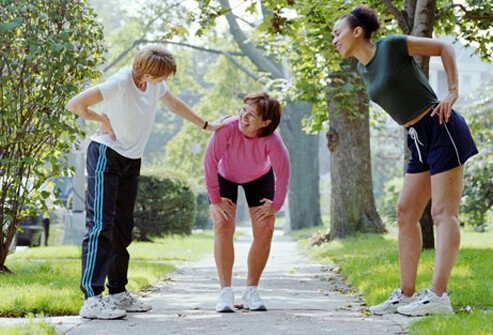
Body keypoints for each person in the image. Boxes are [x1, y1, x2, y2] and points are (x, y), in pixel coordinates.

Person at [331, 6, 478, 317]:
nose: (335, 40)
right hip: (417, 137)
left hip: (441, 126)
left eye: (338, 33)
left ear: (358, 31)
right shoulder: (363, 70)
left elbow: (443, 48)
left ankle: (439, 296)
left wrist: (452, 91)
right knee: (405, 213)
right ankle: (407, 294)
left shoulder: (392, 46)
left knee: (442, 213)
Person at [67, 45, 224, 320]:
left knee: (123, 228)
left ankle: (117, 293)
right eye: (159, 77)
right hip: (107, 153)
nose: (162, 83)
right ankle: (91, 299)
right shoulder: (120, 82)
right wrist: (101, 118)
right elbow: (75, 104)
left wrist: (207, 125)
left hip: (131, 158)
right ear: (144, 71)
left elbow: (175, 105)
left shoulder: (154, 85)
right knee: (101, 225)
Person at [204, 92, 290, 313]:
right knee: (223, 225)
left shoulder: (272, 139)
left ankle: (251, 290)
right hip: (224, 176)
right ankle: (225, 292)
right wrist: (214, 200)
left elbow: (283, 173)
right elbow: (210, 163)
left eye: (252, 115)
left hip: (259, 178)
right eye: (244, 111)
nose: (244, 117)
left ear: (266, 122)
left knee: (265, 227)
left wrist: (275, 205)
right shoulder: (226, 129)